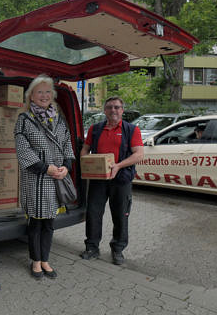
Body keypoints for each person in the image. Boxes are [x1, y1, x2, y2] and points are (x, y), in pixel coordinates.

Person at [14, 74, 75, 279]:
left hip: (57, 178)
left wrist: (66, 166)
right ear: (31, 96)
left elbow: (67, 143)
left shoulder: (58, 118)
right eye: (39, 92)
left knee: (49, 222)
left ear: (53, 95)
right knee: (36, 222)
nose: (44, 95)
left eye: (48, 92)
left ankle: (46, 259)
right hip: (37, 179)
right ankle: (36, 261)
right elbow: (23, 150)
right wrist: (45, 168)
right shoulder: (24, 120)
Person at [80, 97, 144, 265]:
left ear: (122, 110)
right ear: (105, 110)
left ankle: (118, 249)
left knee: (121, 215)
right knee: (93, 213)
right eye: (109, 107)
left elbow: (138, 154)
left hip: (121, 179)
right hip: (98, 180)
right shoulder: (95, 129)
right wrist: (87, 162)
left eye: (117, 107)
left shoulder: (131, 130)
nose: (113, 110)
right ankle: (92, 247)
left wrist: (118, 166)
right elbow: (85, 149)